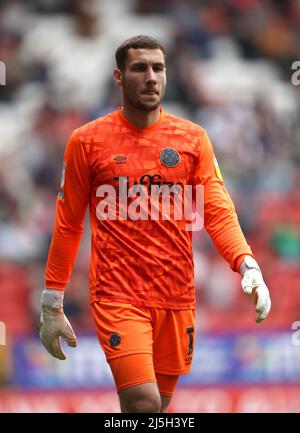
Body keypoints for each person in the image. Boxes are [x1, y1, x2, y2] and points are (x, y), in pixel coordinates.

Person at [39, 35, 271, 413]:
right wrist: (52, 300)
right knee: (142, 403)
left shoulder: (192, 139)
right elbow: (68, 224)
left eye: (158, 68)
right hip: (118, 295)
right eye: (140, 68)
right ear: (118, 76)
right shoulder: (87, 141)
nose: (151, 77)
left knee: (156, 410)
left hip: (177, 297)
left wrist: (247, 264)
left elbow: (216, 208)